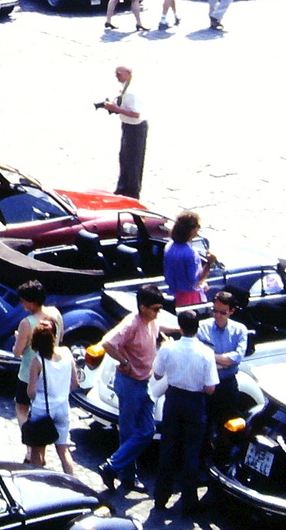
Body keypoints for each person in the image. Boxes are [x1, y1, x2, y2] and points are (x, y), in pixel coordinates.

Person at [99, 284, 166, 493]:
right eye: (155, 308)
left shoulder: (151, 322)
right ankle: (125, 475)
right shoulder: (132, 324)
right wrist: (124, 362)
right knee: (128, 432)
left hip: (143, 383)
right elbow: (108, 343)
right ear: (143, 307)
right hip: (130, 384)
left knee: (147, 430)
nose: (158, 312)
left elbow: (160, 330)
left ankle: (114, 467)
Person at [152, 309, 217, 515]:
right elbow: (210, 388)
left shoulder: (168, 348)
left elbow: (157, 373)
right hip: (195, 402)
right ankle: (189, 502)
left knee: (168, 448)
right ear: (197, 328)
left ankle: (160, 498)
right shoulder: (206, 352)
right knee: (191, 451)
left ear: (180, 327)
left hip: (174, 399)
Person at [11, 281, 65, 446]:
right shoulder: (55, 314)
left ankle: (30, 444)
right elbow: (60, 339)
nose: (21, 304)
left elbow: (17, 352)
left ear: (32, 302)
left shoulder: (27, 323)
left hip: (27, 374)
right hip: (49, 373)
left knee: (22, 409)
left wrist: (17, 338)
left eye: (23, 301)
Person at [23, 322, 79, 474]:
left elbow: (31, 391)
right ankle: (72, 484)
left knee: (37, 451)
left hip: (42, 410)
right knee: (63, 451)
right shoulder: (67, 353)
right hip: (62, 408)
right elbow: (75, 383)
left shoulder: (38, 361)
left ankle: (39, 480)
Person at [198, 290, 251, 433]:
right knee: (203, 426)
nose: (217, 315)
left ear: (231, 311)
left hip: (227, 385)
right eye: (215, 311)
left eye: (223, 312)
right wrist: (222, 361)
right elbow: (199, 355)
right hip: (207, 384)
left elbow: (237, 357)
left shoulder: (240, 330)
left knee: (227, 427)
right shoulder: (202, 327)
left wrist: (212, 357)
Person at [100, 65, 147, 198]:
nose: (116, 76)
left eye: (119, 73)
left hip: (136, 128)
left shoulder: (132, 91)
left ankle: (131, 192)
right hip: (127, 125)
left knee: (133, 161)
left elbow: (136, 113)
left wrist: (116, 108)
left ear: (128, 73)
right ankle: (122, 188)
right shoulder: (126, 86)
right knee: (124, 158)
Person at [165, 210, 216, 307]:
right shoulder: (190, 253)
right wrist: (209, 263)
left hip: (173, 293)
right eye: (198, 226)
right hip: (189, 298)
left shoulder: (169, 246)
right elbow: (195, 282)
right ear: (192, 230)